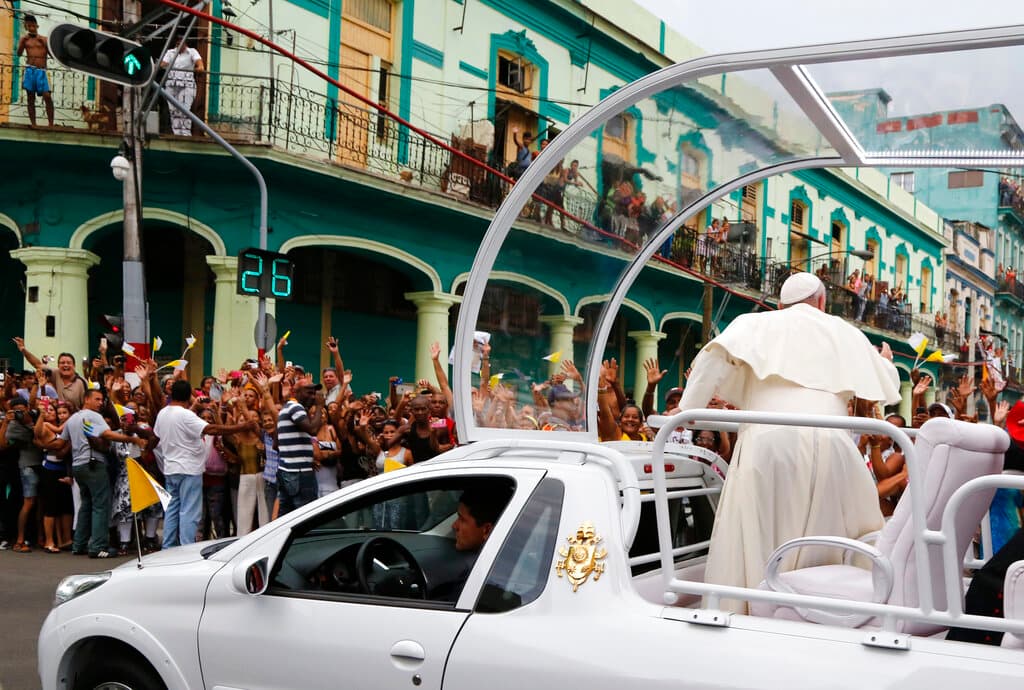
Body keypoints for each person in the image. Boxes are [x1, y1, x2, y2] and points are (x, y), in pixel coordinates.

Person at [676, 271, 901, 613]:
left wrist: (687, 408)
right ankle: (826, 615)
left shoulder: (753, 325)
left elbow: (713, 355)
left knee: (757, 531)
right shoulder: (846, 332)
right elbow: (888, 378)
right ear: (822, 302)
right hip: (834, 446)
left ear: (780, 305)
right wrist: (885, 362)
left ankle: (750, 613)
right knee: (831, 537)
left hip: (767, 439)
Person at [153, 381, 254, 548]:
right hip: (188, 470)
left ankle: (168, 546)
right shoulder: (185, 415)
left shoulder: (163, 413)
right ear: (188, 396)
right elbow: (211, 430)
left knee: (171, 510)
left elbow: (156, 435)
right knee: (189, 512)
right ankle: (186, 547)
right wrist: (241, 426)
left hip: (170, 469)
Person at [56, 388, 146, 558]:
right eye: (96, 399)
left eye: (101, 400)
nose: (99, 403)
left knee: (86, 504)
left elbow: (60, 442)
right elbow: (107, 434)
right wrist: (132, 439)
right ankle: (98, 546)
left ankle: (79, 544)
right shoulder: (93, 416)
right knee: (100, 505)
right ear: (87, 399)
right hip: (93, 464)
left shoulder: (73, 418)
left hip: (78, 466)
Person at [276, 380, 326, 516]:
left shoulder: (288, 408)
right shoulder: (295, 408)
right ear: (295, 392)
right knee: (307, 517)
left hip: (288, 470)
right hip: (299, 474)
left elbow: (277, 444)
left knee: (286, 518)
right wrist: (320, 406)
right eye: (309, 392)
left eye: (314, 393)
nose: (313, 396)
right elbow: (313, 429)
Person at [160, 35, 205, 136]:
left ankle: (185, 134)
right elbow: (163, 63)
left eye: (181, 42)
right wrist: (160, 64)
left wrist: (199, 67)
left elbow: (199, 63)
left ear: (185, 43)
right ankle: (176, 133)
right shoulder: (170, 52)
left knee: (184, 110)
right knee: (173, 111)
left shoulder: (192, 52)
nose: (179, 44)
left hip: (186, 85)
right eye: (178, 42)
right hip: (172, 85)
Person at [16, 16, 54, 127]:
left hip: (42, 71)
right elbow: (18, 54)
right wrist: (22, 42)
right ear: (26, 27)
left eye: (33, 25)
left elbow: (52, 55)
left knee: (47, 96)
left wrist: (45, 44)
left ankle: (51, 123)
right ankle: (34, 124)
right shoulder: (25, 39)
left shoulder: (44, 39)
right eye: (29, 26)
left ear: (37, 26)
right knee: (30, 97)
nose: (31, 28)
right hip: (30, 70)